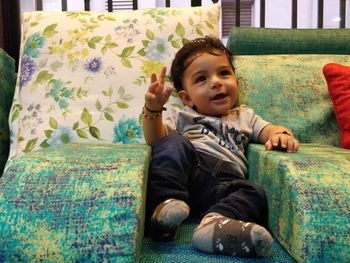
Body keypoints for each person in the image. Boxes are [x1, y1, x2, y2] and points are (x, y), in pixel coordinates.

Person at [142, 36, 299, 258]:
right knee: (172, 143)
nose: (216, 82)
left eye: (224, 73)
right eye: (201, 79)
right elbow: (154, 138)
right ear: (187, 98)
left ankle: (213, 224)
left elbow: (270, 129)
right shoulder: (183, 116)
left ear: (236, 81)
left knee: (255, 192)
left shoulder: (245, 115)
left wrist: (280, 135)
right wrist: (153, 109)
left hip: (225, 184)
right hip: (191, 171)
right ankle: (162, 209)